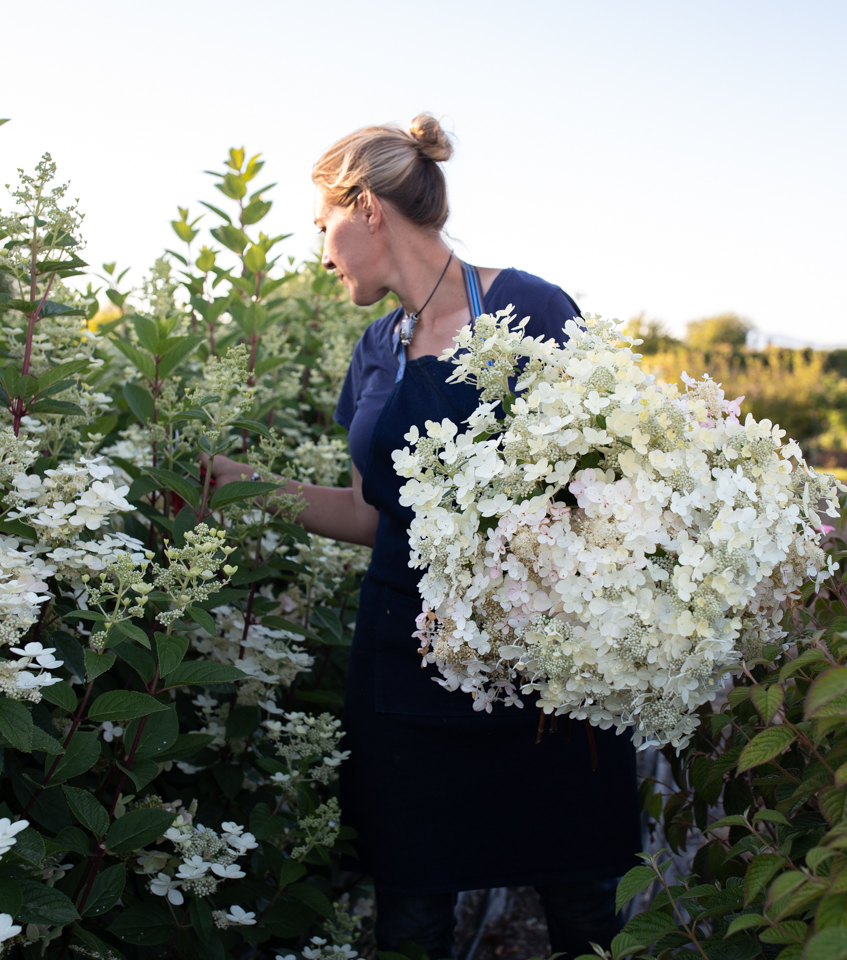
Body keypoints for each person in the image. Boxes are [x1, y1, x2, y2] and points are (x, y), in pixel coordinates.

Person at [208, 115, 639, 957]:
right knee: (411, 915)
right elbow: (374, 516)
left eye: (322, 227)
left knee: (585, 908)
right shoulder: (378, 350)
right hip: (407, 666)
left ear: (365, 207)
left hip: (542, 669)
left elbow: (606, 483)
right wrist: (248, 491)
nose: (321, 256)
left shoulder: (530, 310)